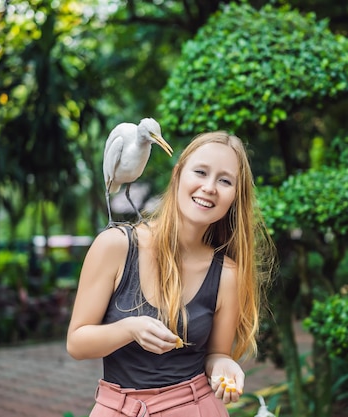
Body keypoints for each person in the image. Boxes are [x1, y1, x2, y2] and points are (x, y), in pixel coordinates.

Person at [66, 131, 275, 417]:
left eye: (225, 181)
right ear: (178, 175)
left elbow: (216, 354)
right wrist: (131, 329)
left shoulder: (227, 273)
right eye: (200, 172)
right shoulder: (115, 246)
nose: (209, 187)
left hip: (196, 408)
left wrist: (224, 365)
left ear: (235, 196)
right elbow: (77, 343)